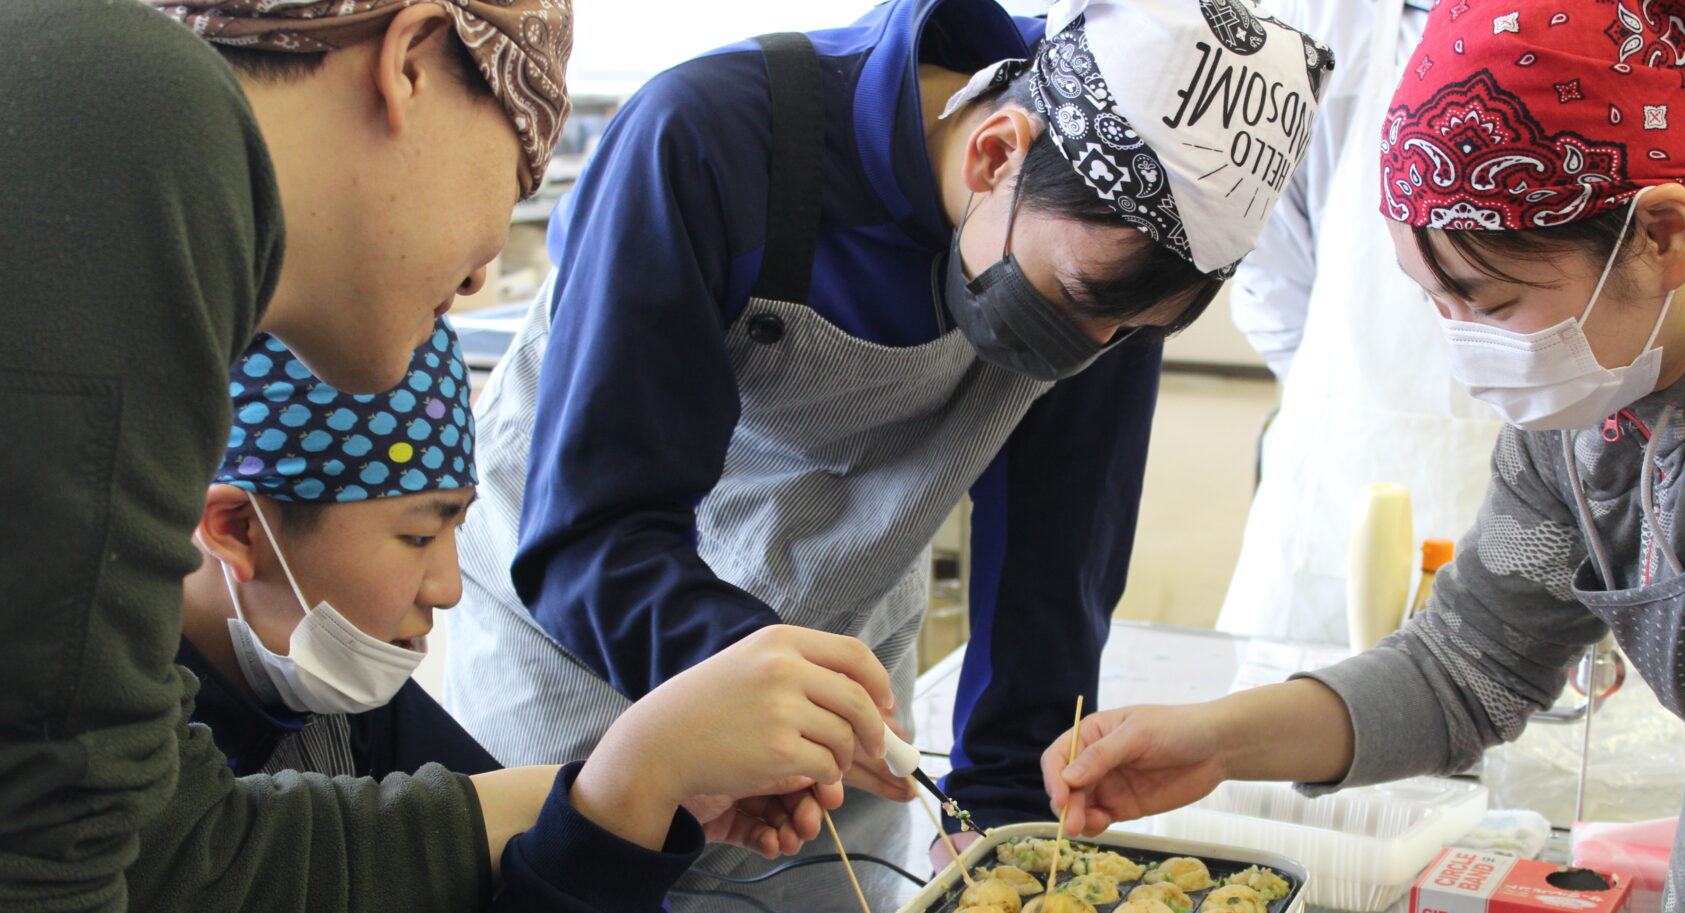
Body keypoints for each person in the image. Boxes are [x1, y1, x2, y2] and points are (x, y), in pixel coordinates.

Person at [1042, 0, 1685, 913]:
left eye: (1490, 302)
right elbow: (1469, 663)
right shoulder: (1589, 409)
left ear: (1662, 236)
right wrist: (1218, 741)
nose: (1466, 343)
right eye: (1435, 301)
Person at [33, 324, 881, 913]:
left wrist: (646, 807)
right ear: (238, 527)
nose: (446, 584)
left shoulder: (335, 699)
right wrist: (627, 781)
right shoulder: (80, 789)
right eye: (415, 537)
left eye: (457, 531)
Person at [444, 0, 1335, 831]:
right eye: (1071, 303)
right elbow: (595, 529)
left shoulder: (1116, 259)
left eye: (1131, 331)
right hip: (578, 639)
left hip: (839, 688)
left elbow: (1055, 565)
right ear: (994, 155)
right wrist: (764, 698)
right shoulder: (708, 141)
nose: (1090, 347)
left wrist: (1007, 814)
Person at [0, 2, 577, 913]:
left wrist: (617, 792)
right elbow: (45, 838)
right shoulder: (139, 114)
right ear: (413, 60)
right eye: (514, 173)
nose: (480, 270)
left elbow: (157, 868)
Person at [1217, 0, 1504, 646]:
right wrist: (1344, 384)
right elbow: (1269, 266)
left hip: (1551, 498)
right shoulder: (1323, 19)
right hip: (1335, 479)